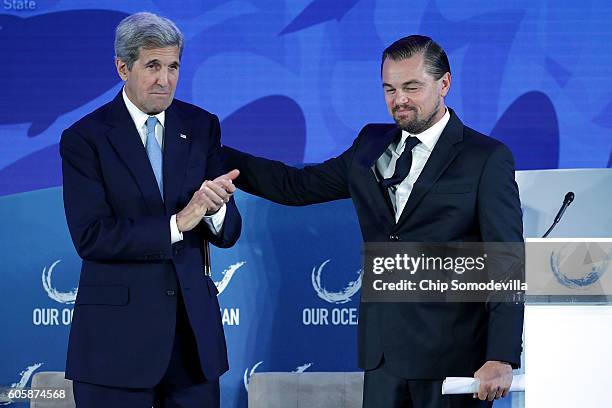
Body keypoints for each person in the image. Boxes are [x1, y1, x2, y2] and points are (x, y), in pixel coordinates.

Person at [223, 35, 523, 407]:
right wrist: (210, 152)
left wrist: (502, 356)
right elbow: (296, 187)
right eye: (390, 88)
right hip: (383, 358)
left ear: (444, 84)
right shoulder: (371, 143)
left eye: (412, 87)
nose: (399, 100)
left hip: (454, 361)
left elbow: (506, 260)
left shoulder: (486, 157)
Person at [60, 12, 241, 408]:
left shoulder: (201, 125)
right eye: (153, 66)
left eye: (173, 66)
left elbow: (227, 232)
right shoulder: (84, 139)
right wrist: (178, 223)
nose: (165, 79)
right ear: (122, 67)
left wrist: (213, 209)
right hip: (115, 350)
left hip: (193, 346)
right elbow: (92, 236)